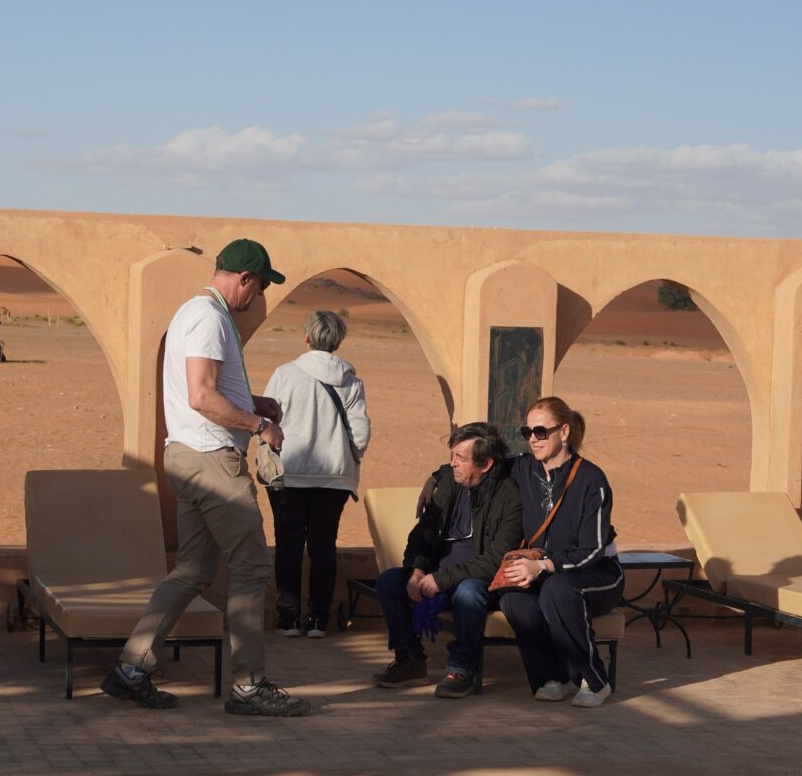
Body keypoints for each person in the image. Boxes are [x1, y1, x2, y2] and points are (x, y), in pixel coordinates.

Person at [101, 238, 311, 717]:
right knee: (252, 564)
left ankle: (131, 670)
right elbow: (201, 396)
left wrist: (254, 401)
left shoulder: (195, 314)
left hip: (189, 456)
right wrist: (259, 425)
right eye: (259, 286)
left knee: (193, 569)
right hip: (211, 459)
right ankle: (249, 685)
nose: (258, 296)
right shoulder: (209, 318)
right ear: (244, 278)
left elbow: (208, 390)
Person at [373, 422, 522, 698]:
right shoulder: (450, 484)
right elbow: (422, 535)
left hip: (480, 578)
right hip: (437, 572)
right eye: (452, 455)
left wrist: (441, 579)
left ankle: (462, 670)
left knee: (468, 593)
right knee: (390, 582)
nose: (452, 464)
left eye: (460, 458)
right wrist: (417, 571)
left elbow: (495, 560)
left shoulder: (509, 496)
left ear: (486, 464)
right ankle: (410, 661)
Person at [497, 396, 623, 708]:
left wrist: (543, 567)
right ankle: (550, 678)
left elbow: (592, 550)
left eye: (541, 432)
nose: (533, 439)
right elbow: (483, 462)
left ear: (563, 432)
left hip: (598, 573)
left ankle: (595, 680)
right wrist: (437, 477)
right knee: (513, 599)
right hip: (547, 571)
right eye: (527, 432)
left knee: (557, 589)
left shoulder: (592, 479)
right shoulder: (523, 468)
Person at [263, 309, 371, 639]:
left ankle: (289, 619)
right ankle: (317, 621)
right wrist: (347, 456)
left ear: (307, 337)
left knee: (288, 545)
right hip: (334, 477)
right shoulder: (351, 380)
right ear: (338, 342)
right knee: (324, 546)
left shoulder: (285, 374)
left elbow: (267, 417)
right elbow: (360, 434)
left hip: (290, 473)